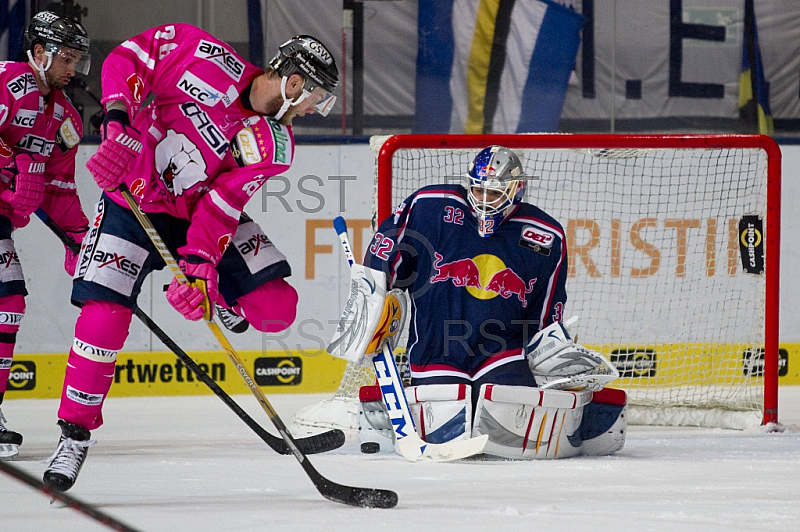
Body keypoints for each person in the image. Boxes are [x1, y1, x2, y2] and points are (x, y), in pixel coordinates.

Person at [42, 25, 338, 491]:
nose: (311, 110)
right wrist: (116, 125)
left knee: (277, 306)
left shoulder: (274, 143)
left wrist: (200, 266)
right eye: (315, 97)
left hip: (197, 213)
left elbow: (223, 202)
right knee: (104, 316)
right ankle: (75, 433)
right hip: (131, 204)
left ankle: (221, 296)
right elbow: (125, 60)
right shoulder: (201, 53)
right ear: (295, 83)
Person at [357, 145, 627, 459]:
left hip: (502, 352)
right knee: (445, 412)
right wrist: (374, 295)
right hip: (436, 347)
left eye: (495, 193)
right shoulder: (430, 205)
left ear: (516, 189)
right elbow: (387, 247)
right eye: (478, 190)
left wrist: (551, 355)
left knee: (506, 419)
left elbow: (546, 313)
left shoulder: (545, 234)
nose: (485, 200)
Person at [0, 11, 91, 460]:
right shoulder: (3, 82)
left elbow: (58, 187)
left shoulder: (63, 116)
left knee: (8, 303)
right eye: (67, 59)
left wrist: (80, 238)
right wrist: (8, 161)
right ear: (39, 53)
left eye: (77, 60)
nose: (73, 69)